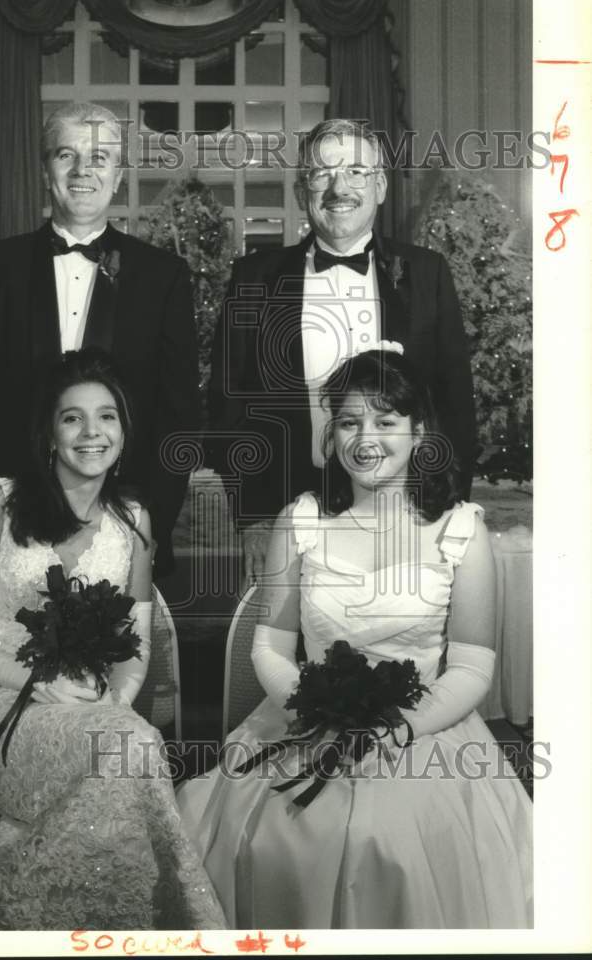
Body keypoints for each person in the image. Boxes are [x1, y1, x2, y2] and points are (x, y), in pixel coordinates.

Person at [178, 346, 532, 929]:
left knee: (383, 837)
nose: (365, 438)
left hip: (423, 728)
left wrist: (397, 728)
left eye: (385, 421)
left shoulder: (462, 528)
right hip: (306, 718)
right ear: (331, 434)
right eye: (348, 421)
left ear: (419, 432)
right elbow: (269, 645)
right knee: (285, 833)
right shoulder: (301, 521)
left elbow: (471, 669)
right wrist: (316, 709)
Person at [0, 348, 225, 930]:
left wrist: (113, 705)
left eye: (107, 416)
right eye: (73, 418)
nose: (92, 432)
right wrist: (36, 682)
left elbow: (134, 644)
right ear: (49, 432)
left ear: (124, 430)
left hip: (95, 711)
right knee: (132, 754)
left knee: (119, 755)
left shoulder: (134, 520)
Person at [0, 101, 200, 577]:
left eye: (99, 158)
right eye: (66, 155)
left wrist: (150, 523)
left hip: (125, 527)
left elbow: (178, 414)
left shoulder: (164, 277)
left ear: (118, 175)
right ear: (46, 169)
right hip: (7, 527)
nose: (83, 171)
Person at [206, 118, 476, 582]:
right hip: (289, 511)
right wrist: (252, 516)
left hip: (408, 512)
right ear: (300, 191)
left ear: (381, 186)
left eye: (355, 171)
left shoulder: (426, 274)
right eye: (322, 173)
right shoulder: (254, 279)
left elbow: (454, 405)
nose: (339, 188)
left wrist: (444, 507)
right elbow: (230, 407)